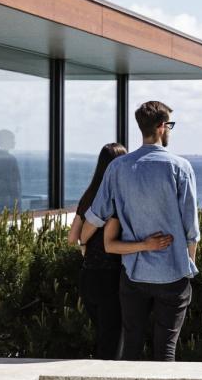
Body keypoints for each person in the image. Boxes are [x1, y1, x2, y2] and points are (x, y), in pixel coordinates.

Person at [81, 101, 199, 362]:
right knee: (166, 349)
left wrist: (82, 241)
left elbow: (96, 215)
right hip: (173, 272)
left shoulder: (118, 167)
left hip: (134, 274)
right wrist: (189, 263)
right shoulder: (180, 167)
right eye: (169, 125)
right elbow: (191, 228)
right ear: (161, 127)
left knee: (132, 346)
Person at [68, 142, 173, 359]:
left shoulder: (88, 196)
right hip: (112, 278)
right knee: (112, 346)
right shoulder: (116, 199)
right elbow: (111, 243)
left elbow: (72, 238)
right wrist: (147, 244)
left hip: (88, 277)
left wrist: (84, 245)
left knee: (104, 340)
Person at [0, 129, 21, 211]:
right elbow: (13, 185)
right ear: (5, 141)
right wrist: (17, 205)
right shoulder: (9, 159)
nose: (14, 142)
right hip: (7, 205)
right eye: (12, 139)